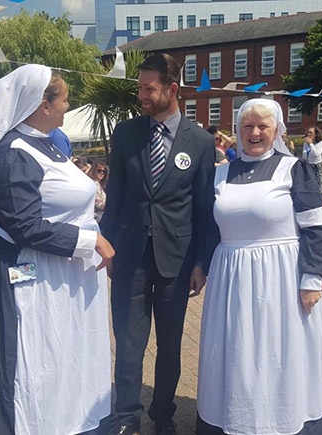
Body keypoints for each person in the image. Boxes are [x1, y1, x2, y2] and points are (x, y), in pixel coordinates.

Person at [0, 64, 115, 435]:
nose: (68, 106)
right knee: (37, 356)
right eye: (64, 99)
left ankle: (68, 418)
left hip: (57, 268)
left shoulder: (44, 144)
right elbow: (24, 225)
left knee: (61, 352)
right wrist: (91, 241)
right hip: (31, 269)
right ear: (43, 104)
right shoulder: (16, 151)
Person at [197, 98, 322, 435]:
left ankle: (285, 419)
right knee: (237, 352)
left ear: (277, 129)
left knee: (282, 352)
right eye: (247, 126)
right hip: (231, 277)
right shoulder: (219, 173)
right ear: (237, 130)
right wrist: (200, 265)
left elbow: (316, 226)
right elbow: (208, 227)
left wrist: (312, 277)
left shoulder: (294, 169)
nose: (255, 132)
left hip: (282, 277)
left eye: (263, 125)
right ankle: (239, 419)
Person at [100, 53, 215, 435]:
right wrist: (107, 243)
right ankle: (127, 417)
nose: (142, 96)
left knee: (169, 345)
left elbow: (203, 208)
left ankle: (162, 414)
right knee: (130, 343)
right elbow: (114, 195)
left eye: (149, 89)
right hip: (129, 256)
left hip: (177, 261)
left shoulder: (199, 142)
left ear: (172, 89)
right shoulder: (126, 134)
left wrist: (201, 262)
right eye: (140, 88)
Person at [301, 126, 322, 190]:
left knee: (319, 183)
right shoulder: (305, 143)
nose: (308, 134)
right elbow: (304, 154)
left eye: (311, 132)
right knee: (309, 183)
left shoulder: (320, 143)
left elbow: (316, 154)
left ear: (316, 134)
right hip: (308, 164)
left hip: (317, 164)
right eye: (308, 132)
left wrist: (311, 144)